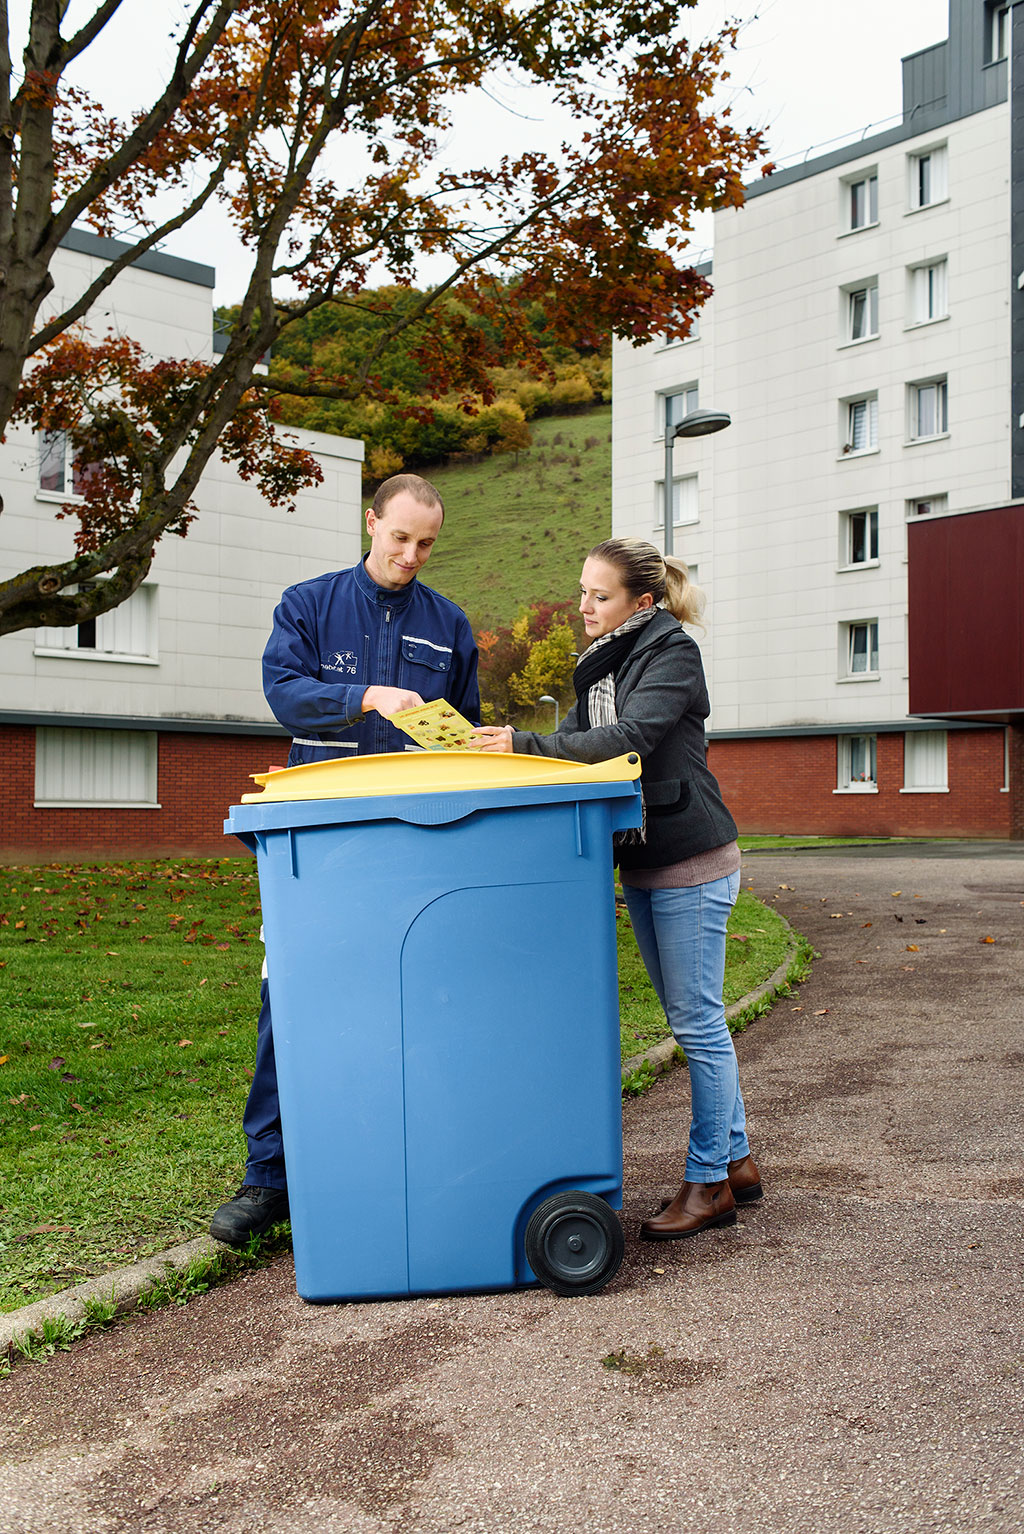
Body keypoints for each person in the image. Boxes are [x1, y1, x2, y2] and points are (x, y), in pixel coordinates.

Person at [210, 473, 480, 1246]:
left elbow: (467, 736)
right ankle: (270, 1180)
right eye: (399, 538)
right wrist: (365, 697)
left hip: (418, 841)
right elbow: (284, 694)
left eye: (425, 544)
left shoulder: (449, 624)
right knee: (290, 997)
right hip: (320, 841)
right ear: (372, 523)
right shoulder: (307, 604)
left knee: (415, 992)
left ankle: (403, 1158)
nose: (410, 556)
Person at [472, 537, 760, 1240]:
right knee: (691, 1019)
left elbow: (626, 740)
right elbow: (569, 740)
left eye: (599, 596)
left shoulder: (671, 654)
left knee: (697, 1022)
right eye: (581, 593)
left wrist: (525, 746)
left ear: (643, 602)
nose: (584, 608)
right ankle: (740, 1159)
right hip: (645, 862)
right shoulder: (601, 664)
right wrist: (499, 749)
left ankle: (709, 1181)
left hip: (693, 860)